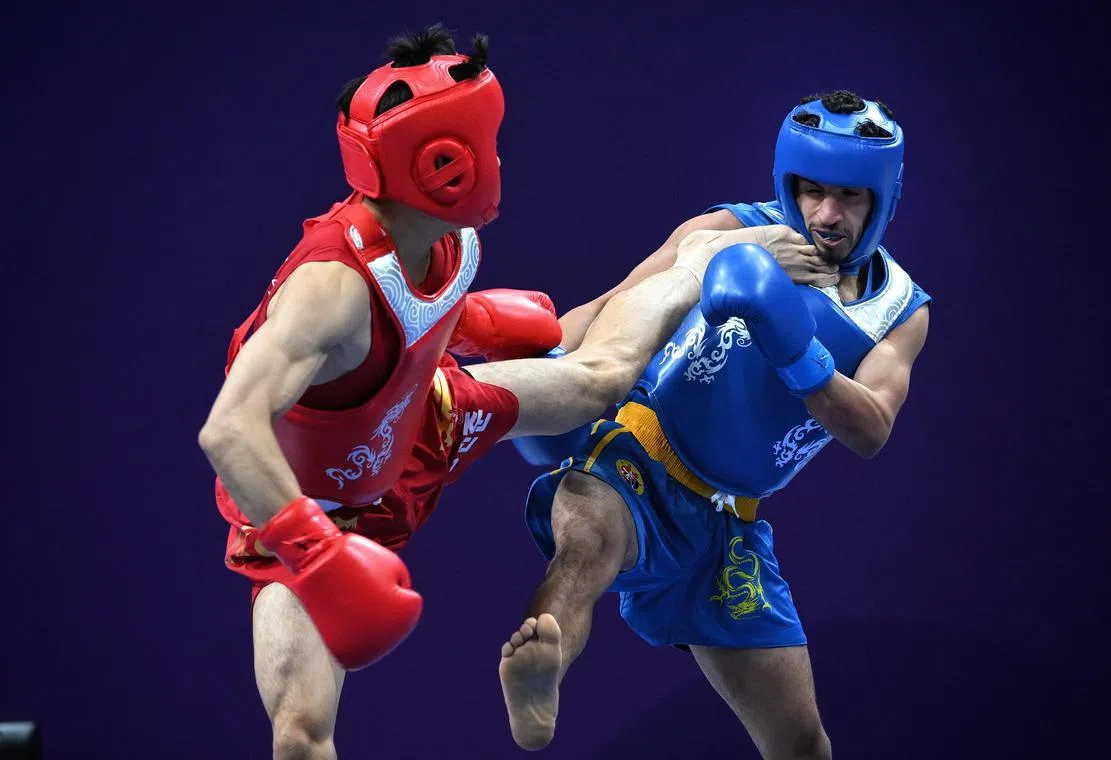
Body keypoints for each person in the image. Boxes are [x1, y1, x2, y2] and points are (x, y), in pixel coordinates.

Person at [199, 24, 782, 760]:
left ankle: (700, 261)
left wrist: (471, 323)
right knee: (300, 735)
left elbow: (403, 328)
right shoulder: (331, 290)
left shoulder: (449, 240)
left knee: (595, 379)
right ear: (445, 162)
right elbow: (228, 428)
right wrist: (316, 553)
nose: (500, 159)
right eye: (489, 141)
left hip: (421, 421)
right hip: (315, 510)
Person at [499, 89, 932, 760]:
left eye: (847, 196)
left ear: (883, 199)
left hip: (728, 528)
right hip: (639, 459)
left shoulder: (899, 308)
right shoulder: (728, 229)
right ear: (786, 182)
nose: (825, 213)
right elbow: (618, 303)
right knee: (586, 543)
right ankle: (542, 659)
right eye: (811, 190)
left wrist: (795, 348)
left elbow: (871, 427)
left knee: (799, 743)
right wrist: (533, 368)